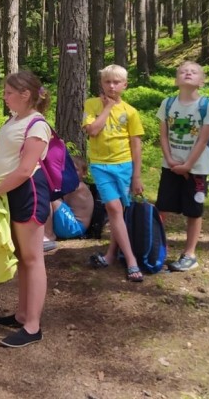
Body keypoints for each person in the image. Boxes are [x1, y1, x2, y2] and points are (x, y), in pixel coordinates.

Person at [0, 71, 51, 348]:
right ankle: (22, 314)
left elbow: (25, 170)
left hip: (28, 193)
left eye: (8, 92)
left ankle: (33, 326)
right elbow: (1, 157)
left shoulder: (38, 125)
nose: (4, 96)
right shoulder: (14, 120)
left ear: (25, 95)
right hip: (9, 192)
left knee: (33, 258)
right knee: (23, 258)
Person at [83, 64, 145, 282]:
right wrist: (107, 108)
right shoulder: (91, 104)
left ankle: (111, 254)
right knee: (113, 208)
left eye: (116, 82)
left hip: (124, 166)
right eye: (107, 82)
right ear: (101, 83)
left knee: (119, 212)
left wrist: (137, 176)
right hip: (101, 166)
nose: (111, 86)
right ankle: (131, 260)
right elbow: (92, 130)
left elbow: (136, 145)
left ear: (124, 85)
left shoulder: (131, 112)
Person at [156, 61, 209, 272]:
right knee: (162, 207)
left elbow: (203, 140)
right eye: (183, 71)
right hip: (171, 165)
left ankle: (190, 253)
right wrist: (170, 159)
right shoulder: (167, 103)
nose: (188, 73)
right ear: (176, 80)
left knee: (194, 210)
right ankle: (155, 246)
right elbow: (163, 135)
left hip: (197, 168)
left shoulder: (208, 106)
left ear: (202, 81)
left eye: (193, 72)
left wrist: (188, 165)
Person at [44, 155, 95, 241]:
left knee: (48, 197)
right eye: (68, 169)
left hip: (76, 227)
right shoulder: (72, 184)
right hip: (70, 223)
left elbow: (53, 188)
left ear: (84, 173)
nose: (71, 172)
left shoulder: (79, 187)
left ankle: (48, 234)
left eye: (75, 170)